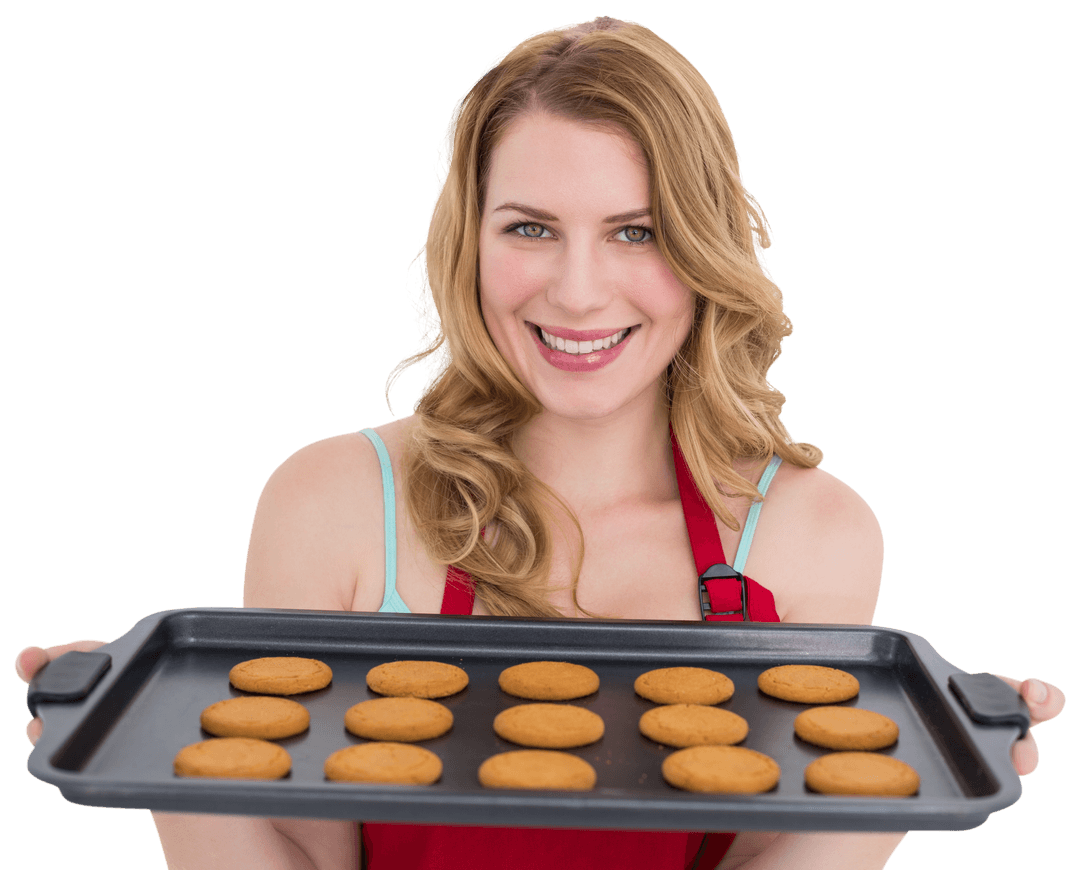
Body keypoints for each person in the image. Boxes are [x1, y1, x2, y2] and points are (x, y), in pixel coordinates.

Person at [15, 15, 1065, 870]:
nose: (576, 290)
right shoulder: (337, 501)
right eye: (528, 227)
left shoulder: (810, 538)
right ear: (468, 243)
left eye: (635, 230)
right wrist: (147, 756)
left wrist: (910, 780)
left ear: (703, 249)